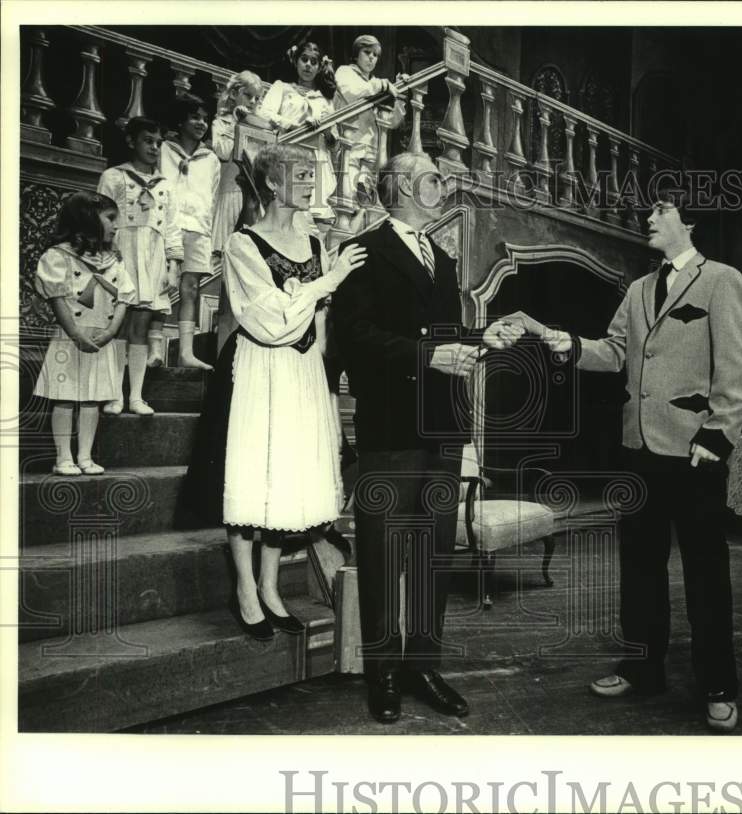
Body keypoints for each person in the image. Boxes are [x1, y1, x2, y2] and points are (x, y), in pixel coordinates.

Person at [540, 190, 742, 733]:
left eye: (660, 212)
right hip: (638, 450)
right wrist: (564, 343)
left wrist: (718, 436)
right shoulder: (637, 289)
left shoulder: (721, 280)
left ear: (690, 222)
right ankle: (643, 669)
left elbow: (736, 369)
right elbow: (614, 352)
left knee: (706, 576)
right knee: (639, 568)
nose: (649, 219)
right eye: (650, 212)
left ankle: (718, 685)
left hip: (695, 453)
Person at [331, 151, 524, 724]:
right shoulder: (361, 251)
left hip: (441, 430)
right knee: (384, 551)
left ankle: (423, 664)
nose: (444, 183)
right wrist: (427, 353)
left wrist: (481, 336)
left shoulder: (440, 257)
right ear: (402, 187)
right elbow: (355, 338)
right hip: (390, 428)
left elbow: (442, 339)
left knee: (433, 555)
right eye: (434, 177)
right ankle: (384, 673)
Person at [220, 142, 367, 639]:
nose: (310, 182)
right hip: (263, 368)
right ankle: (244, 587)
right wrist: (328, 281)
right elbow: (267, 320)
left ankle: (270, 586)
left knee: (284, 482)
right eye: (300, 174)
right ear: (273, 183)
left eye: (312, 173)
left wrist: (326, 383)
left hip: (302, 372)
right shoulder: (243, 244)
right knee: (252, 478)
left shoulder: (315, 242)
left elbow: (317, 322)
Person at [33, 191, 136, 475]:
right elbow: (58, 300)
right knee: (65, 397)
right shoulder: (59, 257)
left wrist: (111, 331)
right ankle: (63, 457)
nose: (116, 226)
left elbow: (124, 298)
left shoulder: (113, 260)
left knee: (93, 399)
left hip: (102, 337)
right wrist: (76, 334)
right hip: (72, 337)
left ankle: (85, 456)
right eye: (111, 219)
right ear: (88, 219)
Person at [97, 116, 183, 414]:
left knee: (141, 324)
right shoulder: (113, 176)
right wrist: (106, 257)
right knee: (118, 325)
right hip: (121, 253)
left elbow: (172, 227)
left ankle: (135, 395)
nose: (155, 147)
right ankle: (114, 395)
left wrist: (172, 265)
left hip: (153, 256)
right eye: (148, 141)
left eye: (159, 143)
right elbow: (101, 219)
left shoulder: (166, 185)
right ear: (131, 141)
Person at [157, 93, 221, 371]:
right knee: (159, 285)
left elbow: (212, 196)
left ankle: (186, 351)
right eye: (195, 117)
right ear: (181, 120)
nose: (201, 123)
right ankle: (153, 349)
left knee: (191, 288)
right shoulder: (163, 150)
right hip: (166, 225)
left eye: (205, 119)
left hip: (198, 228)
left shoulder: (211, 160)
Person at [258, 39, 338, 224]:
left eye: (313, 61)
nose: (308, 65)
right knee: (285, 207)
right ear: (295, 61)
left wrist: (326, 131)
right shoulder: (282, 88)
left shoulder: (324, 99)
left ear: (319, 67)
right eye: (304, 59)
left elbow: (334, 144)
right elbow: (264, 112)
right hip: (288, 152)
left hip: (316, 157)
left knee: (312, 216)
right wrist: (292, 125)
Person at [333, 34, 408, 209]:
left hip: (371, 154)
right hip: (348, 149)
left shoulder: (376, 83)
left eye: (375, 55)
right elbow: (352, 92)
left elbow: (391, 123)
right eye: (367, 52)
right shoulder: (345, 72)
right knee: (347, 201)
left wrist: (400, 96)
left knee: (365, 206)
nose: (372, 58)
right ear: (356, 53)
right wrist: (382, 86)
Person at [211, 70, 265, 260]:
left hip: (252, 189)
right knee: (223, 239)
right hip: (230, 187)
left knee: (249, 242)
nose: (252, 102)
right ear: (234, 94)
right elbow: (223, 152)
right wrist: (238, 126)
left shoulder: (258, 127)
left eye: (256, 98)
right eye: (248, 95)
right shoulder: (221, 123)